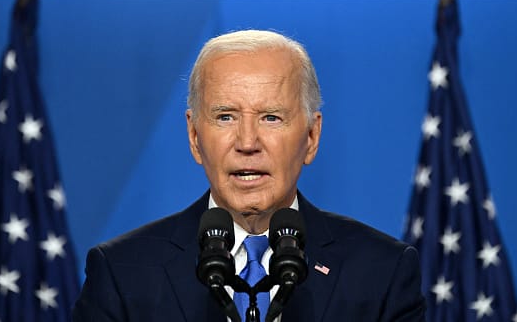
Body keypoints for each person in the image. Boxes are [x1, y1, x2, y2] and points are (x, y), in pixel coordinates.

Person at [72, 29, 426, 321]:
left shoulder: (382, 273)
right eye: (225, 117)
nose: (247, 142)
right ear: (195, 137)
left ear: (312, 137)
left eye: (271, 117)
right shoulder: (123, 273)